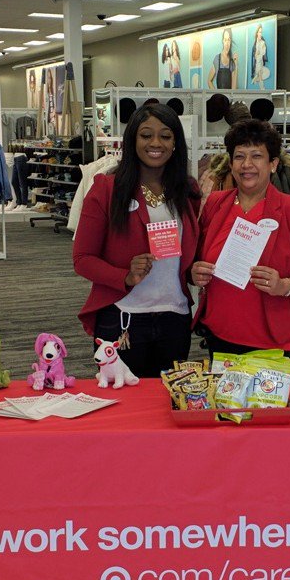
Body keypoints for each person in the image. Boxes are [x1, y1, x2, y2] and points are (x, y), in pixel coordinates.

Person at [73, 104, 201, 377]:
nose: (156, 143)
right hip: (123, 318)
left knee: (168, 403)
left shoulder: (187, 190)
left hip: (174, 317)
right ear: (133, 140)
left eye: (165, 136)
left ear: (176, 142)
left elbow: (186, 256)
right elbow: (82, 260)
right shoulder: (107, 189)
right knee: (124, 407)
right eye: (146, 135)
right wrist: (125, 277)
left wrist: (195, 272)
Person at [191, 120, 290, 356]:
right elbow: (197, 257)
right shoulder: (215, 203)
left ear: (273, 164)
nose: (247, 165)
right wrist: (194, 272)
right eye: (240, 156)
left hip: (271, 343)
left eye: (257, 156)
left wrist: (283, 286)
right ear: (231, 164)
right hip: (219, 335)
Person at [251, 24, 268, 90]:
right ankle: (262, 87)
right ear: (257, 33)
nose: (260, 34)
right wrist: (256, 54)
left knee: (259, 72)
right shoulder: (255, 43)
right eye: (259, 32)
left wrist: (260, 53)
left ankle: (256, 79)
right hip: (257, 60)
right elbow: (254, 54)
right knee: (259, 72)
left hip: (260, 59)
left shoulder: (263, 42)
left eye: (261, 32)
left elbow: (263, 52)